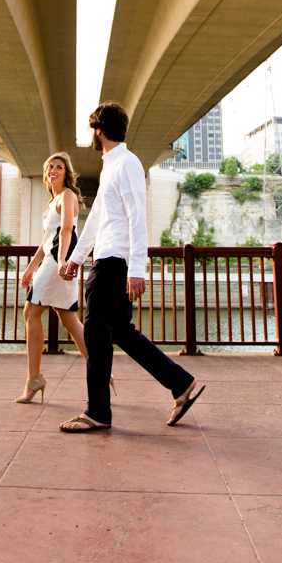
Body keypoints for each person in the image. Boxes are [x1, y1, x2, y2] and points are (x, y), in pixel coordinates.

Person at [58, 101, 204, 432]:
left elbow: (138, 216)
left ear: (99, 129)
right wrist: (76, 259)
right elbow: (96, 218)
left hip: (115, 262)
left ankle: (98, 412)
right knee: (121, 331)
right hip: (108, 259)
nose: (91, 134)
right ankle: (180, 383)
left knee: (96, 334)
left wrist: (137, 267)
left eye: (92, 128)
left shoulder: (126, 164)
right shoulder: (112, 165)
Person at [14, 152, 91, 403]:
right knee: (68, 318)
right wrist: (30, 268)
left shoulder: (67, 195)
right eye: (50, 167)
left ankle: (34, 379)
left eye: (59, 167)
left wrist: (60, 261)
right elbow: (45, 243)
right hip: (53, 259)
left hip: (59, 261)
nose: (53, 171)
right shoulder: (52, 201)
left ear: (66, 173)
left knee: (30, 313)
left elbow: (67, 228)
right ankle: (100, 369)